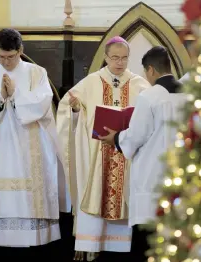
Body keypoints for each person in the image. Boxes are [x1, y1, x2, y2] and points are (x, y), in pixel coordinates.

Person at [0, 28, 69, 251]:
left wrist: (15, 95)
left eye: (11, 57)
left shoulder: (37, 72)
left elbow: (43, 103)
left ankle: (33, 240)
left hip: (29, 142)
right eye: (1, 57)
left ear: (20, 50)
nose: (6, 62)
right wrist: (0, 97)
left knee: (29, 197)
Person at [56, 36, 151, 261]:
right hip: (96, 157)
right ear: (106, 57)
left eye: (124, 58)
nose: (119, 62)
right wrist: (76, 110)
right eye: (115, 58)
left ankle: (118, 252)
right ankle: (92, 246)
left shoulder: (139, 84)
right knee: (96, 193)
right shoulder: (91, 82)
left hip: (125, 155)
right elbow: (68, 113)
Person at [99, 46, 188, 261]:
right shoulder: (189, 95)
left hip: (152, 180)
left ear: (150, 70)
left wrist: (116, 138)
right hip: (181, 180)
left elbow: (136, 136)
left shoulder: (149, 96)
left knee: (147, 247)